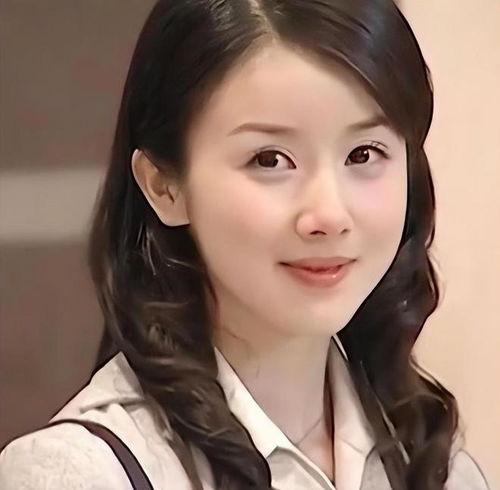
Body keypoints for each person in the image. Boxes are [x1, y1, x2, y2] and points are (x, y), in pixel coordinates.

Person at [0, 0, 491, 489]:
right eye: (270, 160)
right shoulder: (77, 473)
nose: (329, 215)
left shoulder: (436, 464)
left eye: (364, 153)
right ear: (164, 187)